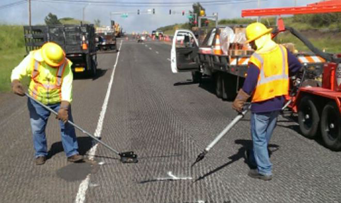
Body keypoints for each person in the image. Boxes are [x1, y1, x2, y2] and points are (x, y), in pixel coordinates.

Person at [232, 22, 301, 181]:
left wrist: (239, 101)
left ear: (257, 40)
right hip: (278, 102)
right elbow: (296, 66)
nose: (251, 45)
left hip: (262, 103)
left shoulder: (258, 56)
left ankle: (264, 170)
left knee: (259, 138)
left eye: (251, 41)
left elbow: (249, 83)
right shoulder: (282, 51)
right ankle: (256, 159)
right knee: (264, 137)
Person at [11, 42, 83, 165]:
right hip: (37, 100)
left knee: (67, 126)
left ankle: (72, 152)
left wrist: (64, 108)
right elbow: (18, 71)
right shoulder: (33, 59)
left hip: (58, 101)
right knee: (37, 128)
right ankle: (40, 153)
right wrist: (16, 82)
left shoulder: (65, 64)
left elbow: (67, 87)